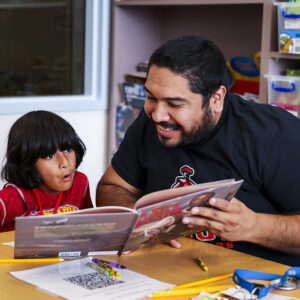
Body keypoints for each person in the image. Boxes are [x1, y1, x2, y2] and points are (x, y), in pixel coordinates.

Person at [96, 35, 300, 265]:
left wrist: (254, 227)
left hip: (260, 282)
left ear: (216, 98)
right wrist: (141, 221)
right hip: (170, 271)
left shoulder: (273, 133)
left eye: (175, 104)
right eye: (151, 97)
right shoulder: (149, 122)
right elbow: (110, 187)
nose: (157, 115)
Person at [0, 110, 93, 232]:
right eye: (49, 156)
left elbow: (89, 226)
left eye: (68, 149)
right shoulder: (14, 197)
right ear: (27, 161)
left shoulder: (80, 183)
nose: (65, 163)